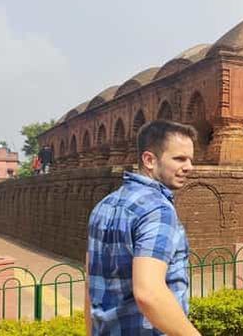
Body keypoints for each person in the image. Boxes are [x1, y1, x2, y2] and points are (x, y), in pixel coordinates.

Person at [85, 120, 200, 336]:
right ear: (149, 160)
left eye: (190, 159)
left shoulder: (103, 206)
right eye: (179, 159)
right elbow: (149, 293)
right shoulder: (158, 210)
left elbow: (91, 286)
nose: (189, 167)